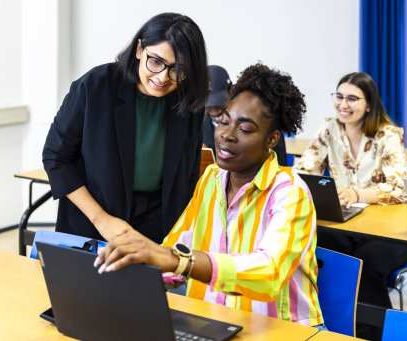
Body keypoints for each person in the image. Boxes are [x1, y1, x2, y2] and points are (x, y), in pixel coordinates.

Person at [93, 63, 323, 326]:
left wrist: (177, 261)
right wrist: (128, 269)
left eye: (245, 129)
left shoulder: (290, 192)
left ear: (272, 139)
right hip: (218, 324)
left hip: (279, 331)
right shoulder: (212, 179)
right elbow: (177, 248)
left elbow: (268, 272)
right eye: (222, 121)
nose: (227, 135)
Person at [42, 13, 208, 244]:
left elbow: (185, 178)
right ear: (140, 49)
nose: (163, 77)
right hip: (92, 222)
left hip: (157, 227)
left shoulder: (188, 103)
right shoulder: (95, 86)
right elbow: (55, 158)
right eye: (156, 61)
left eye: (177, 69)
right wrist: (101, 220)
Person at [294, 72, 407, 339]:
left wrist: (357, 193)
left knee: (365, 265)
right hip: (345, 223)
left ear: (369, 104)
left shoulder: (388, 135)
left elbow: (401, 188)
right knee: (317, 251)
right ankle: (331, 328)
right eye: (339, 97)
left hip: (388, 229)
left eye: (352, 99)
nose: (343, 104)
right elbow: (304, 170)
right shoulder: (330, 129)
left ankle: (375, 333)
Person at [203, 65, 289, 165]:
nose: (214, 112)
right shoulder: (200, 125)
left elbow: (280, 164)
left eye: (245, 129)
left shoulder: (262, 119)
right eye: (208, 107)